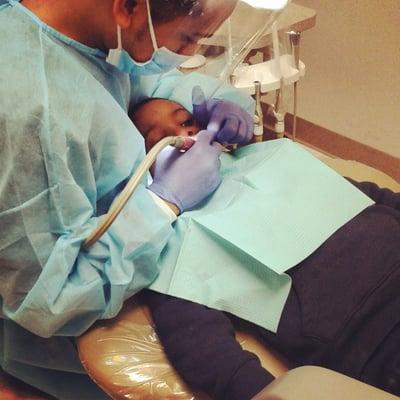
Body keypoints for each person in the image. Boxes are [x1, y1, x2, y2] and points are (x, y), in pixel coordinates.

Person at [0, 0, 256, 398]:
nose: (188, 54)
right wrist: (162, 205)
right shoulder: (30, 110)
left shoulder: (87, 31)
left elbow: (141, 81)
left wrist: (218, 106)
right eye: (188, 38)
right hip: (65, 333)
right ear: (129, 7)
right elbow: (50, 299)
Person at [130, 97, 400, 400]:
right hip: (376, 333)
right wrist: (266, 393)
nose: (185, 137)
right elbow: (199, 345)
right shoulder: (169, 243)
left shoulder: (270, 157)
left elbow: (367, 195)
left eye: (185, 122)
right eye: (160, 139)